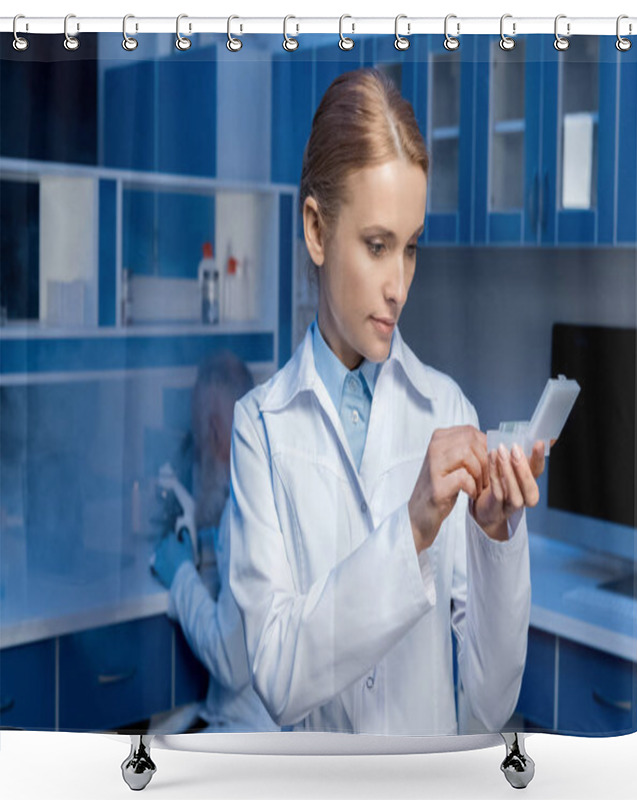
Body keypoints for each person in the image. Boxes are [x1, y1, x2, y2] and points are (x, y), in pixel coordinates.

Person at [228, 68, 552, 736]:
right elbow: (280, 677)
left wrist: (495, 543)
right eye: (377, 247)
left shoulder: (447, 409)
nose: (398, 285)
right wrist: (411, 529)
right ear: (317, 231)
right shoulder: (259, 427)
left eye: (410, 249)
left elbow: (488, 707)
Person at [151, 350, 280, 733]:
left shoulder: (243, 512)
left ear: (211, 428)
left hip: (251, 736)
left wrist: (180, 577)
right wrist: (207, 547)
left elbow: (229, 658)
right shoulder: (270, 487)